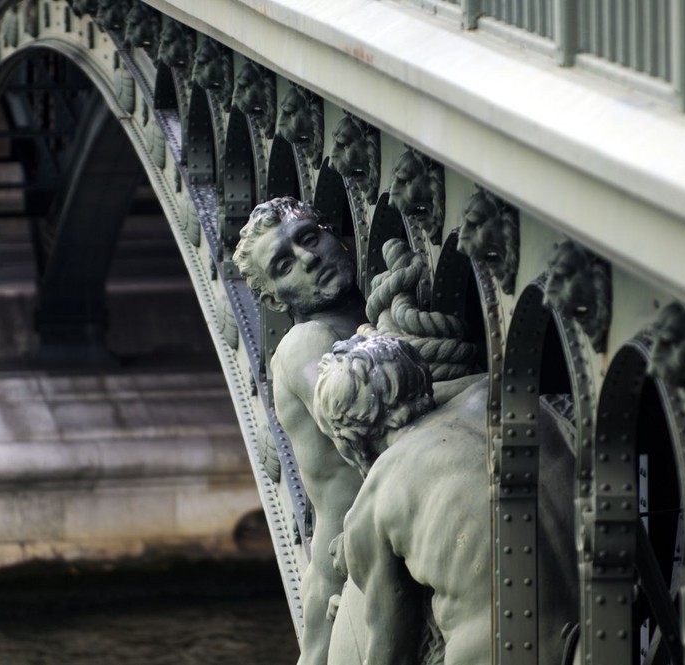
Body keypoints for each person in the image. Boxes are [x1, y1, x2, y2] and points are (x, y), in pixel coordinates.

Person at [315, 334, 578, 665]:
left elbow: (391, 654)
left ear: (349, 442)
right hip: (609, 634)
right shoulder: (496, 396)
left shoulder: (376, 499)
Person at [233, 197, 366, 665]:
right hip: (346, 578)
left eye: (310, 238)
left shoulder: (360, 326)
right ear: (273, 299)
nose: (308, 259)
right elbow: (366, 419)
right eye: (285, 265)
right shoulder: (307, 343)